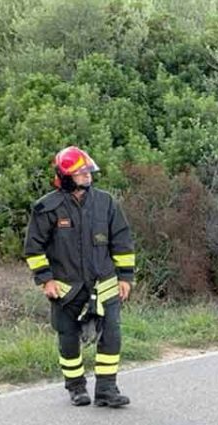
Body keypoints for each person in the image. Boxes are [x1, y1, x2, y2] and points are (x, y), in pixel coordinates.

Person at [24, 146, 136, 407]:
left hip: (104, 284)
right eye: (81, 173)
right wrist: (45, 279)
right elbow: (33, 248)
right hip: (66, 288)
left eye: (88, 171)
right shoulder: (46, 207)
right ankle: (75, 387)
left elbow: (122, 241)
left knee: (112, 335)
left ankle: (107, 390)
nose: (87, 176)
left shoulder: (106, 203)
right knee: (68, 337)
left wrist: (125, 277)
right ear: (65, 176)